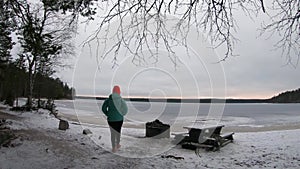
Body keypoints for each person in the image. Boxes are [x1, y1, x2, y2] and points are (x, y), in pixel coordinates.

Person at [102, 85, 128, 153]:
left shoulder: (108, 100)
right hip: (119, 120)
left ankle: (114, 148)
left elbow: (103, 108)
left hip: (111, 120)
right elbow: (125, 110)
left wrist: (108, 114)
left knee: (113, 133)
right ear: (119, 92)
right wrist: (121, 114)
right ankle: (118, 144)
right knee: (118, 132)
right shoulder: (121, 100)